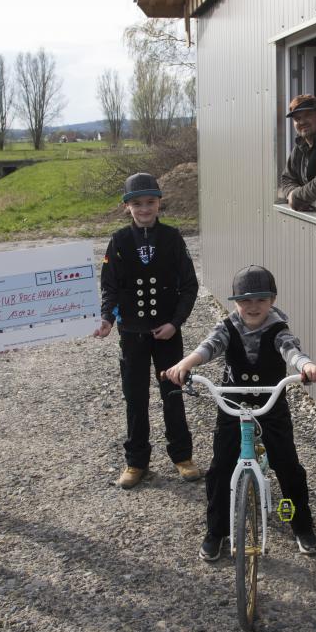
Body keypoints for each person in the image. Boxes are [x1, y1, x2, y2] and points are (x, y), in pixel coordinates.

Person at [164, 265, 316, 560]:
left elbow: (291, 351)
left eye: (261, 300)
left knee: (288, 466)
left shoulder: (279, 328)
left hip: (270, 404)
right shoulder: (227, 327)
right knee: (220, 468)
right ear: (236, 302)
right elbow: (209, 347)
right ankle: (216, 531)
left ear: (273, 300)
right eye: (245, 300)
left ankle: (301, 525)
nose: (253, 307)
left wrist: (307, 367)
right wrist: (186, 364)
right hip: (233, 403)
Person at [93, 173, 201, 489]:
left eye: (150, 202)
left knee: (173, 393)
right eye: (137, 203)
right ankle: (136, 461)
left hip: (167, 332)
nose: (144, 209)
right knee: (135, 397)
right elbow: (109, 288)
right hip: (132, 334)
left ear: (159, 203)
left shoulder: (173, 238)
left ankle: (182, 456)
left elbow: (189, 286)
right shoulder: (118, 241)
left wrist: (175, 323)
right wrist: (107, 320)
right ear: (127, 206)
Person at [276, 94, 316, 212]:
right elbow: (286, 178)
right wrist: (292, 193)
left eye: (308, 115)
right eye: (297, 119)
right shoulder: (300, 146)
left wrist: (297, 196)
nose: (302, 121)